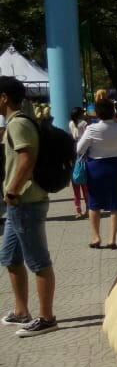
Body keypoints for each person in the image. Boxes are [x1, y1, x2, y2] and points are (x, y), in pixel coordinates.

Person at [0, 76, 57, 336]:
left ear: (4, 98)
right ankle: (21, 311)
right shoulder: (15, 123)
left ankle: (47, 318)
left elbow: (27, 158)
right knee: (11, 258)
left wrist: (12, 189)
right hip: (17, 203)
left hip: (25, 201)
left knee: (38, 261)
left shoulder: (18, 124)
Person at [78, 99, 117, 249]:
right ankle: (112, 239)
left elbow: (79, 149)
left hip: (96, 166)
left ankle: (95, 237)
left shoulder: (92, 129)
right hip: (116, 164)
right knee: (116, 203)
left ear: (97, 113)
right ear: (113, 111)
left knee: (94, 203)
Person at [69, 107, 89, 220]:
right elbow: (88, 137)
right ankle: (88, 209)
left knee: (75, 186)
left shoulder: (71, 123)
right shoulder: (84, 123)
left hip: (74, 154)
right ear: (81, 114)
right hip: (84, 153)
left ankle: (78, 211)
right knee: (86, 186)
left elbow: (71, 136)